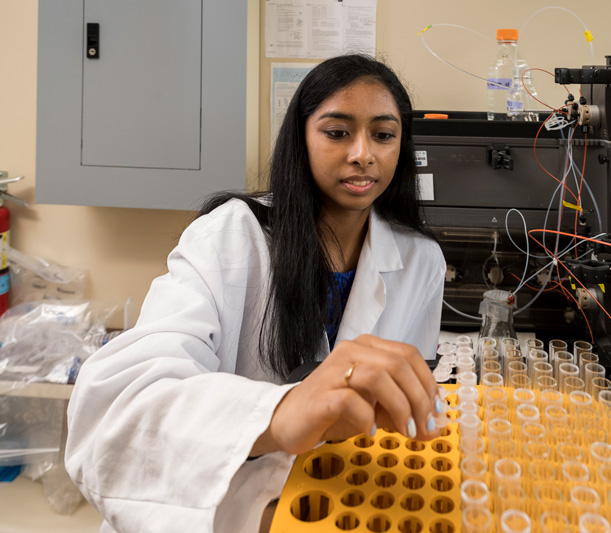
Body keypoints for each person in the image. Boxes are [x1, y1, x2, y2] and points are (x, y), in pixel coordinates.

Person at [65, 54, 447, 532]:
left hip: (335, 505)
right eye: (337, 132)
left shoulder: (420, 260)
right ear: (301, 139)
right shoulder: (229, 237)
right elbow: (122, 406)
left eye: (384, 135)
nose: (362, 154)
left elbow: (402, 416)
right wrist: (280, 413)